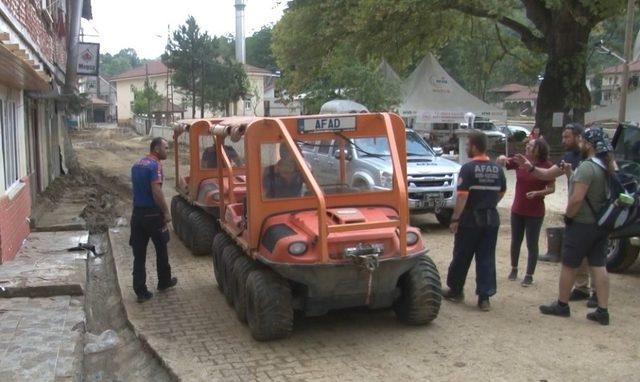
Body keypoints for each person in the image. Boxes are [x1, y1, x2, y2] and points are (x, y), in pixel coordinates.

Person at [514, 123, 596, 306]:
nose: (563, 140)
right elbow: (548, 174)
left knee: (595, 254)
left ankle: (596, 293)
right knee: (578, 251)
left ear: (579, 137)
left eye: (567, 137)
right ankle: (582, 287)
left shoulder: (593, 158)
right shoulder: (569, 157)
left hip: (592, 211)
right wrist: (530, 168)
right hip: (576, 211)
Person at [538, 127, 614, 325]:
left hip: (582, 224)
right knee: (599, 265)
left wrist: (569, 217)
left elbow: (577, 198)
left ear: (589, 145)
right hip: (601, 224)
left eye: (583, 141)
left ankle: (562, 305)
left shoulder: (588, 167)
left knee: (569, 264)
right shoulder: (608, 166)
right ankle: (602, 310)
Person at [444, 132, 507, 311]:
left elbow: (462, 197)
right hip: (491, 219)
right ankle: (484, 297)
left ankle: (456, 290)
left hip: (470, 219)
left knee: (462, 255)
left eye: (467, 145)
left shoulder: (468, 168)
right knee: (486, 257)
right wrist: (490, 203)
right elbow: (501, 192)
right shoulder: (497, 169)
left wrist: (455, 218)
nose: (465, 148)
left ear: (474, 146)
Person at [497, 139, 555, 286]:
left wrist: (538, 192)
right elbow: (503, 162)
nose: (527, 147)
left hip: (535, 211)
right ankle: (514, 268)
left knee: (532, 243)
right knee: (516, 241)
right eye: (527, 145)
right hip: (518, 208)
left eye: (531, 146)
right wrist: (502, 159)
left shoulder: (547, 166)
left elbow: (551, 188)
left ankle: (529, 274)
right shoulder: (522, 160)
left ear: (539, 149)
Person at [130, 137, 177, 303]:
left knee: (139, 254)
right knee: (161, 248)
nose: (168, 150)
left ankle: (140, 291)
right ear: (156, 149)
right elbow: (156, 190)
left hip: (137, 215)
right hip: (152, 215)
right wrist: (166, 211)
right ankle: (164, 282)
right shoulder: (155, 165)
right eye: (166, 147)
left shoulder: (137, 165)